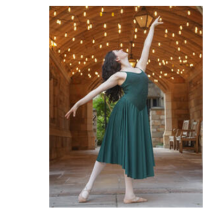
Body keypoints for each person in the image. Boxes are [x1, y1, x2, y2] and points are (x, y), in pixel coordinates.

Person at [65, 16, 163, 204]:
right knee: (109, 150)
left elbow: (146, 47)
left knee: (131, 150)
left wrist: (151, 28)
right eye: (118, 50)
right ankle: (87, 188)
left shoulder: (140, 68)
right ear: (117, 59)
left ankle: (129, 194)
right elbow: (96, 90)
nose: (121, 49)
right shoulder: (119, 75)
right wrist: (78, 103)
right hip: (124, 113)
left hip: (139, 113)